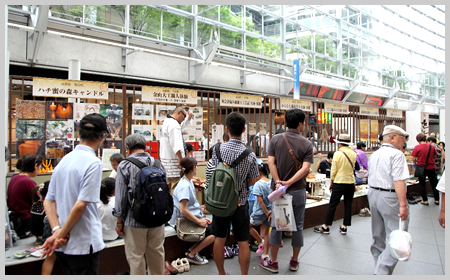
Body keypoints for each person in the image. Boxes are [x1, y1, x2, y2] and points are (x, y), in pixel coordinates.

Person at [41, 113, 108, 275]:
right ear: (102, 137)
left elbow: (48, 201)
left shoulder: (64, 160)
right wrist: (59, 235)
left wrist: (57, 230)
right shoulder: (93, 162)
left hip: (63, 242)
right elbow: (81, 205)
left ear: (79, 134)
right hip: (83, 241)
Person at [205, 112, 259, 275]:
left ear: (227, 129)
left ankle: (222, 273)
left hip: (220, 202)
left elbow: (212, 172)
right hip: (240, 203)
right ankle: (243, 275)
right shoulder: (249, 153)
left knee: (219, 238)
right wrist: (240, 184)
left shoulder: (217, 149)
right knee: (243, 240)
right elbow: (254, 178)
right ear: (244, 130)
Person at [261, 108, 313, 273]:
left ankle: (274, 262)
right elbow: (305, 169)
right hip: (298, 191)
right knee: (298, 225)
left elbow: (271, 163)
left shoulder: (275, 140)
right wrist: (289, 183)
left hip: (279, 193)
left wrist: (278, 183)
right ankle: (294, 261)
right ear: (300, 124)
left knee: (277, 226)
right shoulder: (307, 143)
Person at [114, 133, 166, 275]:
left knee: (136, 258)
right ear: (145, 147)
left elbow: (121, 197)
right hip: (157, 218)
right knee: (157, 255)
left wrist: (119, 221)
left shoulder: (125, 165)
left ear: (128, 149)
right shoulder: (158, 163)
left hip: (134, 220)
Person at [367, 125, 409, 275]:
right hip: (390, 196)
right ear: (392, 137)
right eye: (402, 138)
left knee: (377, 233)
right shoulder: (397, 155)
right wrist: (403, 205)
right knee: (397, 234)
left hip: (372, 194)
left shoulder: (375, 154)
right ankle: (382, 270)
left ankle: (378, 264)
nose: (403, 142)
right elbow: (398, 181)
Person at [170, 157, 215, 265]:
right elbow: (183, 210)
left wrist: (202, 213)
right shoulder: (184, 186)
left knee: (214, 226)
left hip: (191, 217)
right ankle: (192, 254)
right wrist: (199, 221)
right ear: (193, 168)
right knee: (216, 232)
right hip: (183, 221)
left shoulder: (188, 181)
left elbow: (191, 206)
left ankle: (191, 251)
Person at [314, 134, 360, 235]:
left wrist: (332, 182)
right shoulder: (353, 153)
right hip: (350, 182)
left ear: (339, 143)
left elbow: (333, 170)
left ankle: (326, 226)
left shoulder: (337, 154)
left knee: (333, 204)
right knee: (348, 205)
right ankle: (344, 227)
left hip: (339, 182)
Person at [7, 154, 42, 239]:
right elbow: (37, 203)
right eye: (40, 167)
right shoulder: (28, 182)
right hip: (25, 221)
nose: (40, 170)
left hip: (14, 219)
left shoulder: (14, 178)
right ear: (35, 166)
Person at [160, 106, 189, 194]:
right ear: (179, 112)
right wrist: (181, 160)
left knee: (167, 192)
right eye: (184, 117)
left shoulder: (166, 122)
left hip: (165, 165)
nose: (184, 120)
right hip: (174, 166)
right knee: (175, 192)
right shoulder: (174, 125)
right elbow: (176, 145)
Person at [250, 161, 272, 261]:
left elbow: (260, 201)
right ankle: (266, 254)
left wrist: (265, 212)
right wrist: (268, 212)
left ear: (258, 173)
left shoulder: (258, 184)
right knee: (267, 232)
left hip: (259, 212)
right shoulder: (271, 182)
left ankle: (260, 241)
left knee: (247, 226)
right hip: (270, 212)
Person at [411, 133, 439, 205]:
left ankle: (425, 200)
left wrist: (415, 163)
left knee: (422, 183)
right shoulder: (431, 146)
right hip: (431, 166)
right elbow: (435, 156)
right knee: (434, 183)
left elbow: (414, 158)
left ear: (417, 140)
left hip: (421, 167)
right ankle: (437, 199)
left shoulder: (417, 147)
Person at [98, 178, 118, 242]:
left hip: (100, 237)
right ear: (114, 189)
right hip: (115, 235)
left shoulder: (96, 203)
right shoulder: (116, 201)